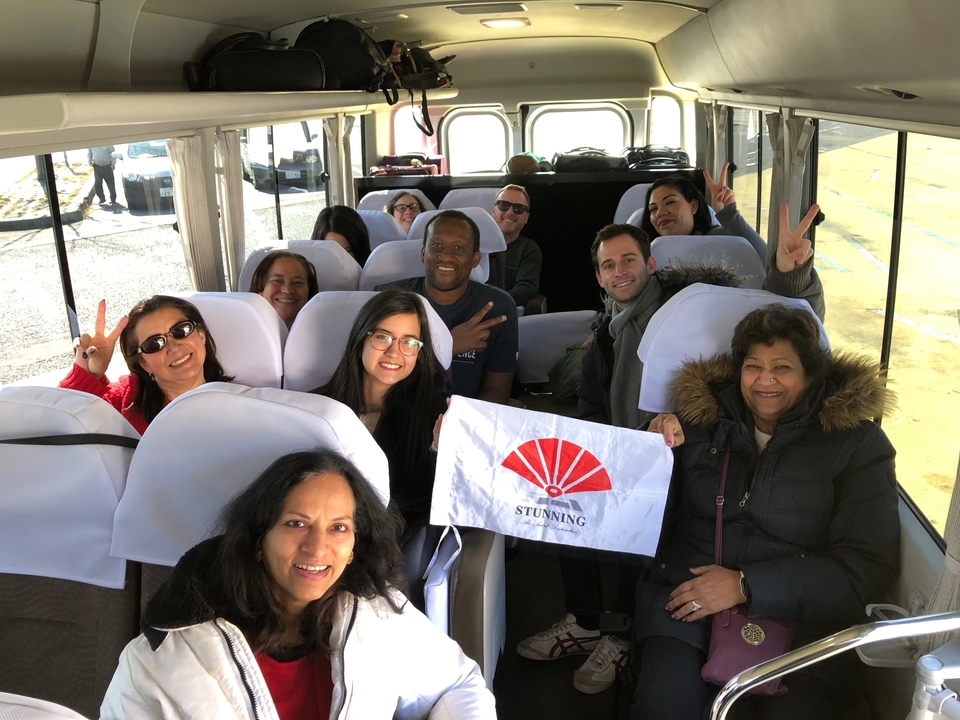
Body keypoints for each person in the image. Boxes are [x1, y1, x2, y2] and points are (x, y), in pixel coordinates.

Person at [516, 213, 825, 694]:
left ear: (651, 264)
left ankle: (619, 633)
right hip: (634, 444)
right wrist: (601, 454)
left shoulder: (688, 308)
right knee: (563, 501)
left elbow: (773, 323)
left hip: (698, 447)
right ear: (598, 277)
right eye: (608, 265)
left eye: (630, 261)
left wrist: (789, 277)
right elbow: (595, 403)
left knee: (643, 527)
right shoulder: (609, 331)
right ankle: (585, 618)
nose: (621, 272)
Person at [632, 304, 899, 719]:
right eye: (753, 365)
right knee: (663, 708)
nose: (765, 379)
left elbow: (867, 565)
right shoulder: (699, 424)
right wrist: (646, 446)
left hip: (805, 625)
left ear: (811, 375)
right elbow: (637, 506)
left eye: (783, 367)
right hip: (688, 607)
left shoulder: (856, 446)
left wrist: (747, 585)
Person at [100, 449, 496, 719]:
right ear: (258, 539)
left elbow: (458, 684)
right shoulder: (156, 661)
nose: (317, 547)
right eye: (296, 523)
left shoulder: (380, 616)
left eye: (339, 528)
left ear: (355, 546)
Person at [312, 290, 450, 593]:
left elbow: (428, 505)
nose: (394, 352)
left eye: (409, 342)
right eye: (382, 337)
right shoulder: (313, 406)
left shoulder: (434, 415)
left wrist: (441, 450)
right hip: (312, 542)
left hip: (376, 556)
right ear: (361, 338)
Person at [381, 210, 518, 404]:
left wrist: (458, 426)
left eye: (458, 248)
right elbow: (378, 381)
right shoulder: (389, 299)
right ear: (423, 253)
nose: (445, 256)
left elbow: (497, 390)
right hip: (398, 415)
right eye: (437, 245)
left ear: (475, 259)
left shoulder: (498, 307)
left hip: (465, 423)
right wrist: (448, 345)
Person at [59, 296, 232, 434]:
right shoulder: (128, 400)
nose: (173, 347)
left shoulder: (240, 402)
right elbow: (60, 424)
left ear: (201, 335)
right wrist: (88, 373)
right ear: (144, 364)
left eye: (180, 331)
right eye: (154, 344)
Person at [638, 163, 766, 261]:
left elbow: (764, 260)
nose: (660, 213)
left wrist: (729, 214)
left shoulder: (720, 239)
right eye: (653, 209)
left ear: (693, 206)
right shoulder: (647, 253)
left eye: (670, 202)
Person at [491, 184, 542, 307]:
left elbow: (526, 287)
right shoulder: (473, 244)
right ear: (493, 211)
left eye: (518, 208)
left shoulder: (529, 249)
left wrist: (494, 304)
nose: (510, 212)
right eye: (504, 205)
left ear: (526, 218)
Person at [248, 250, 320, 329]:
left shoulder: (326, 334)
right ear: (259, 288)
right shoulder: (239, 333)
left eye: (298, 282)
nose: (288, 290)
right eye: (277, 281)